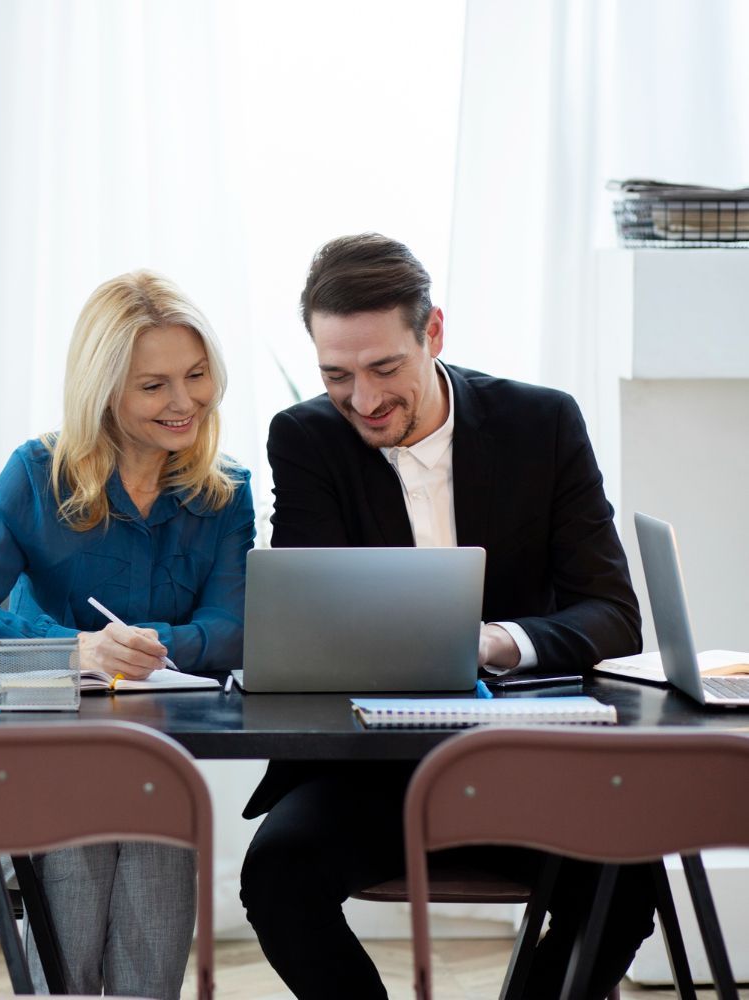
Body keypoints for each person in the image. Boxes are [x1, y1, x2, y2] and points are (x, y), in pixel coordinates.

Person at [237, 233, 654, 999]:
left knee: (626, 879)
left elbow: (614, 615)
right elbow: (310, 617)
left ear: (433, 332)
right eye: (337, 374)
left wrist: (496, 642)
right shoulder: (306, 440)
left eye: (384, 368)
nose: (362, 400)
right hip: (371, 772)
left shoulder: (543, 424)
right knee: (276, 878)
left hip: (530, 762)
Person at [0, 270, 254, 999]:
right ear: (104, 391)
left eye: (196, 376)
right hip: (32, 763)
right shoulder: (37, 475)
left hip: (150, 762)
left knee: (146, 803)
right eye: (154, 385)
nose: (184, 402)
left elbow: (231, 631)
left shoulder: (223, 491)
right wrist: (76, 648)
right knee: (100, 809)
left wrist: (155, 644)